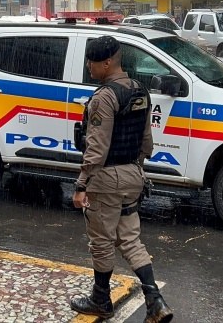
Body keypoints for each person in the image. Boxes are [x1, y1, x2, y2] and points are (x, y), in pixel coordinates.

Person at [70, 36, 173, 323]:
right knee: (130, 239)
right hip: (132, 174)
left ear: (107, 62)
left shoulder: (105, 97)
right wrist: (135, 168)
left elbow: (97, 148)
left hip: (106, 178)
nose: (89, 67)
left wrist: (81, 184)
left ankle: (101, 300)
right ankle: (155, 301)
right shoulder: (139, 90)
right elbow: (146, 141)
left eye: (92, 62)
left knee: (101, 242)